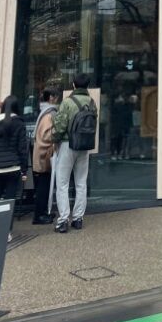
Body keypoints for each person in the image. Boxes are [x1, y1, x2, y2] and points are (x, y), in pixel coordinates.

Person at [51, 73, 96, 233]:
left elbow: (60, 125)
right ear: (87, 86)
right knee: (81, 183)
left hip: (67, 144)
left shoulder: (68, 102)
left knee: (62, 183)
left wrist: (53, 138)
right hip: (84, 146)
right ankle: (78, 218)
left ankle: (63, 220)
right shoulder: (92, 102)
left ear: (74, 85)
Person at [0, 95, 28, 237]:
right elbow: (22, 149)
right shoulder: (19, 124)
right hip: (13, 167)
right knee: (9, 200)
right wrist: (24, 169)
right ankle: (6, 232)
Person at [31, 87, 60, 225]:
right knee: (43, 186)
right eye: (55, 96)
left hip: (41, 155)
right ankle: (39, 215)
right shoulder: (49, 114)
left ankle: (42, 213)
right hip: (44, 156)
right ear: (51, 98)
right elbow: (47, 135)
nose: (57, 99)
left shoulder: (43, 112)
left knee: (44, 185)